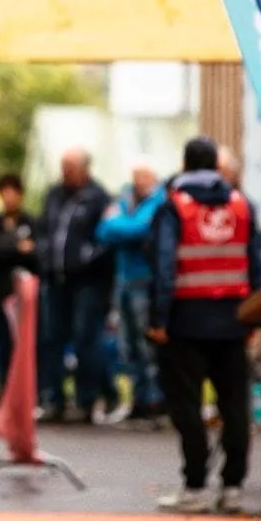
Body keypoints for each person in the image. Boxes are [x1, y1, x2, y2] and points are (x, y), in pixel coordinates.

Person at [148, 137, 261, 514]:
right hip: (232, 320)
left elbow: (165, 266)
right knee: (235, 406)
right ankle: (232, 487)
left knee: (187, 406)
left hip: (185, 322)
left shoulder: (174, 206)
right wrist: (255, 315)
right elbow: (256, 263)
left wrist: (158, 319)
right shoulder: (240, 204)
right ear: (216, 165)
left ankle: (195, 485)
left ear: (184, 164)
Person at [36, 147, 116, 423]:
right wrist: (44, 254)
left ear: (84, 168)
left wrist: (86, 258)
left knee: (86, 340)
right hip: (55, 280)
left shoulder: (99, 198)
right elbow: (43, 229)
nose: (65, 172)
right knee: (51, 340)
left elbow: (107, 238)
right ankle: (54, 400)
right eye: (63, 166)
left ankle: (86, 401)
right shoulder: (53, 194)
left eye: (70, 167)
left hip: (88, 283)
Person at [96, 164, 166, 424]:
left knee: (145, 342)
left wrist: (119, 224)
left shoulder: (159, 201)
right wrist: (122, 226)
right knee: (127, 344)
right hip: (123, 279)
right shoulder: (126, 197)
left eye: (143, 177)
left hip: (145, 280)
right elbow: (103, 230)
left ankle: (154, 400)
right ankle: (138, 399)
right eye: (136, 177)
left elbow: (139, 229)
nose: (138, 182)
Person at [0, 172, 37, 404]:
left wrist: (10, 245)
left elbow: (35, 254)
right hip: (0, 293)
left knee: (24, 345)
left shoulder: (30, 221)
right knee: (2, 344)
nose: (8, 199)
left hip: (25, 296)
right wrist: (17, 244)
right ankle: (4, 392)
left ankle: (27, 393)